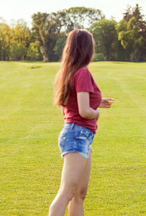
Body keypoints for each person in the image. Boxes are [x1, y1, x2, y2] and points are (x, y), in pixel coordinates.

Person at [49, 29, 114, 215]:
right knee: (67, 192)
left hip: (79, 135)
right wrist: (97, 113)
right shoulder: (82, 72)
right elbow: (85, 111)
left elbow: (70, 105)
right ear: (87, 49)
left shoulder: (69, 72)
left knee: (79, 194)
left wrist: (97, 102)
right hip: (77, 134)